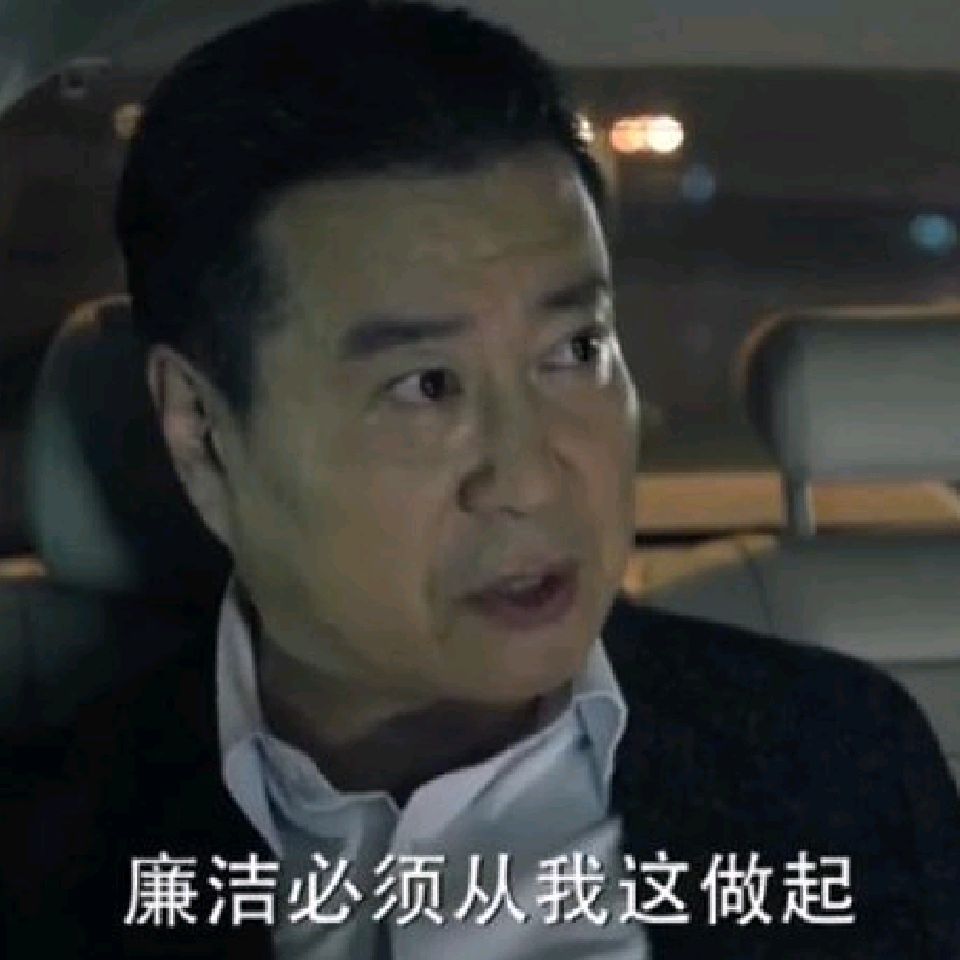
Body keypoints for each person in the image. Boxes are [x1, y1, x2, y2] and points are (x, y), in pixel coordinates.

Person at [2, 2, 958, 958]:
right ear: (204, 433)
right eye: (426, 385)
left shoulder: (842, 762)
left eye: (575, 350)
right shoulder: (47, 856)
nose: (533, 480)